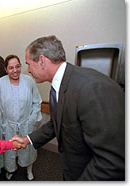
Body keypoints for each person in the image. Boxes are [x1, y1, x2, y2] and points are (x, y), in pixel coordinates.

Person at [12, 35, 125, 180]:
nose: (27, 70)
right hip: (71, 168)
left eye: (28, 64)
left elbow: (111, 160)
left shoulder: (92, 88)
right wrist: (27, 139)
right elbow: (56, 123)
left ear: (41, 61)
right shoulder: (60, 85)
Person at [0, 54, 42, 180]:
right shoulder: (1, 83)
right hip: (8, 125)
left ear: (21, 66)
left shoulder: (29, 81)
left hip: (26, 123)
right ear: (5, 69)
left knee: (28, 150)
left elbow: (36, 102)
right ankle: (11, 170)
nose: (15, 70)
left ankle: (29, 170)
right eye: (11, 68)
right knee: (10, 151)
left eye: (17, 66)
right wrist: (2, 125)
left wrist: (32, 120)